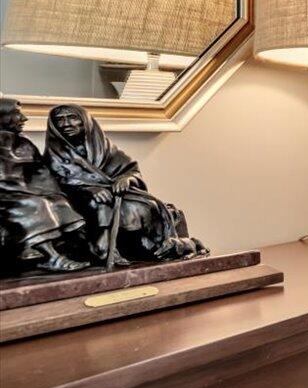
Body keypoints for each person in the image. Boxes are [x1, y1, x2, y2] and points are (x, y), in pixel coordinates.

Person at [45, 103, 205, 266]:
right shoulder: (54, 155)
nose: (65, 124)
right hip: (78, 200)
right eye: (60, 120)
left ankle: (179, 245)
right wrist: (89, 188)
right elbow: (54, 182)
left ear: (85, 121)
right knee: (100, 202)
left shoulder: (105, 149)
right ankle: (105, 247)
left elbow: (131, 170)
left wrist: (127, 179)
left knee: (146, 207)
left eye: (72, 118)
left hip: (116, 195)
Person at [0, 98, 89, 274]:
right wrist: (28, 194)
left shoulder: (24, 144)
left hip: (23, 191)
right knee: (35, 204)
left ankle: (73, 249)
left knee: (59, 203)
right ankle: (51, 258)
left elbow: (41, 174)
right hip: (6, 195)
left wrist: (54, 193)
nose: (24, 119)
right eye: (17, 114)